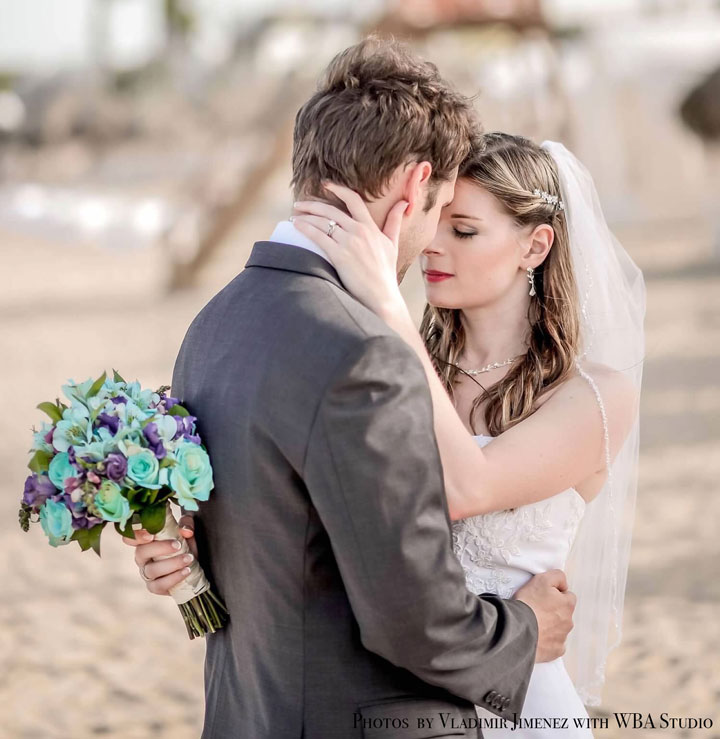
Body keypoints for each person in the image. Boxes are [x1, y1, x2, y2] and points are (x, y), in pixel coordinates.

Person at [123, 39, 575, 739]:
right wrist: (524, 629)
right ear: (412, 185)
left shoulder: (214, 323)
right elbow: (412, 618)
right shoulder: (363, 352)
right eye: (440, 211)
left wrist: (176, 558)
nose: (429, 243)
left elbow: (262, 543)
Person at [289, 132, 646, 736]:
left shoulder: (595, 396)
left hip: (523, 699)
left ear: (535, 245)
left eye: (466, 230)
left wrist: (384, 303)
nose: (433, 247)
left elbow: (468, 487)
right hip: (394, 694)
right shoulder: (394, 367)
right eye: (435, 224)